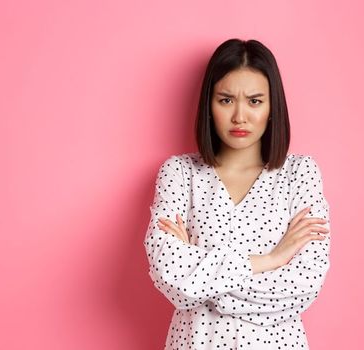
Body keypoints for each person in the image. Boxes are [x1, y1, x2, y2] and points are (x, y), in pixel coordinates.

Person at [143, 38, 333, 349]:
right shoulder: (179, 173)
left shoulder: (300, 174)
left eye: (255, 101)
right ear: (209, 104)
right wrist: (270, 259)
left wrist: (204, 282)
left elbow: (304, 284)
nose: (240, 117)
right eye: (226, 100)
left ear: (272, 107)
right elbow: (170, 276)